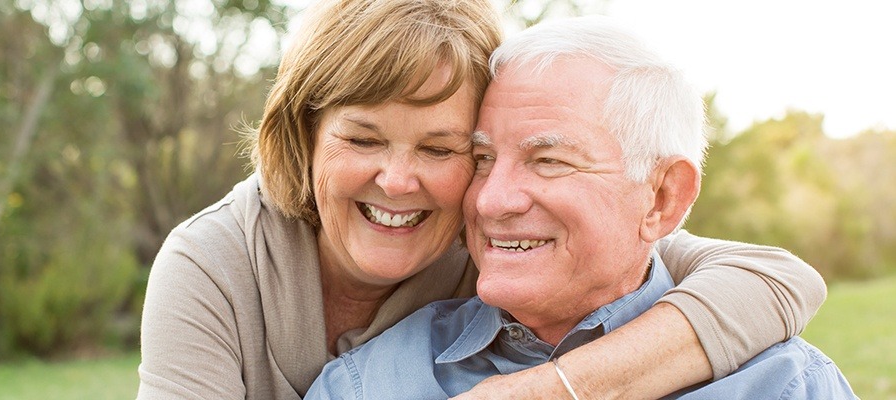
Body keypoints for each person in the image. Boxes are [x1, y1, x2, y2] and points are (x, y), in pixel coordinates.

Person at [137, 1, 828, 399]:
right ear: (306, 135)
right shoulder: (217, 265)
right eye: (363, 139)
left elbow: (776, 278)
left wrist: (551, 392)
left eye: (443, 149)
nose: (400, 182)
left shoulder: (484, 231)